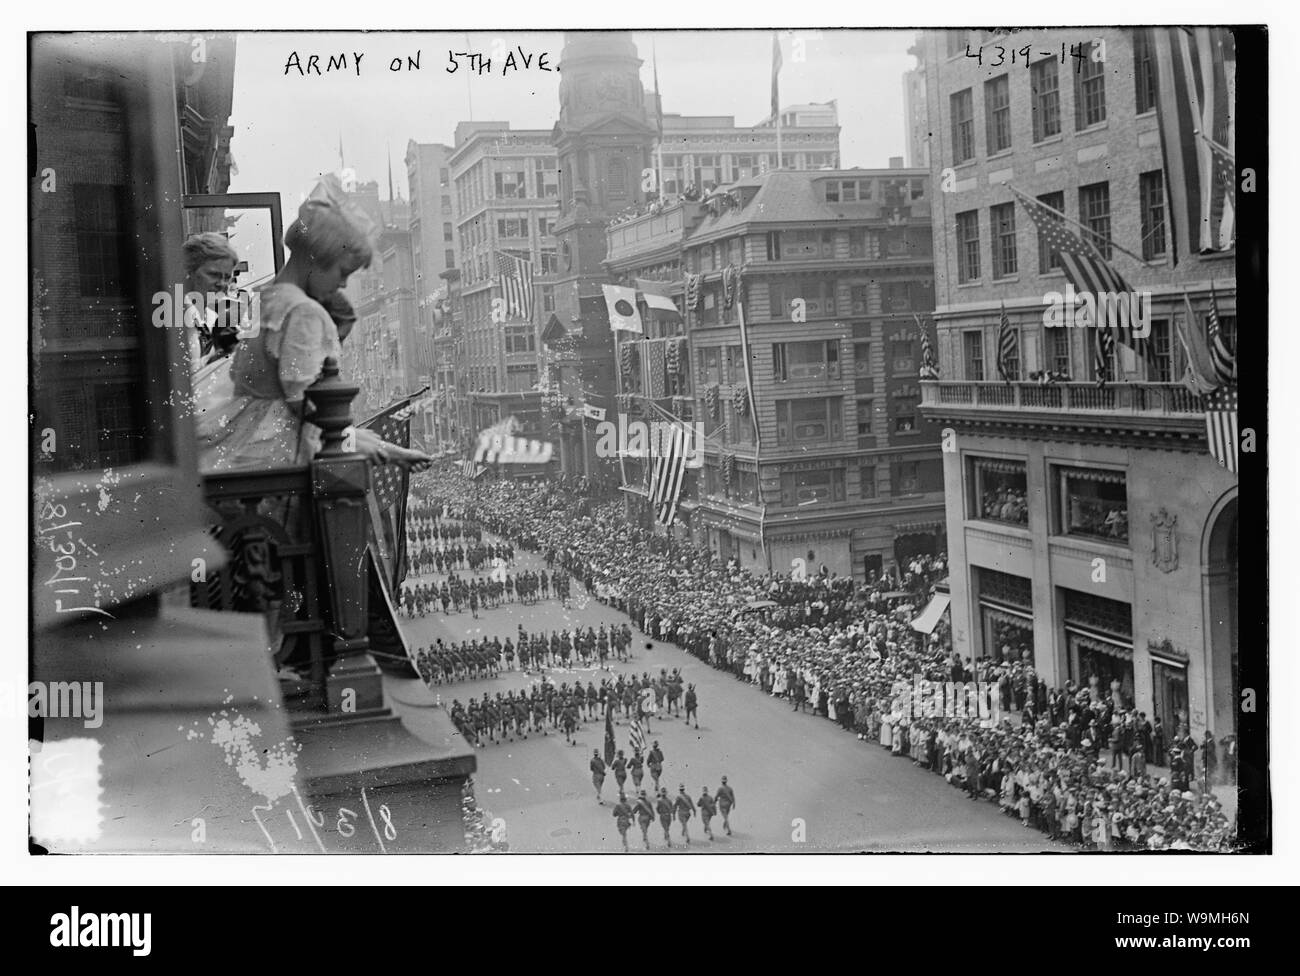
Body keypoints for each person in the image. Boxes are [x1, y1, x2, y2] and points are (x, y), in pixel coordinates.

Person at [196, 177, 429, 477]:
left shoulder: (270, 299)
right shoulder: (303, 312)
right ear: (318, 258)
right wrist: (366, 443)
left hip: (239, 446)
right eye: (342, 272)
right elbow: (307, 408)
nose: (343, 283)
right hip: (273, 457)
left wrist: (377, 445)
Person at [181, 232, 239, 373]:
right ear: (189, 272)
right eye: (214, 275)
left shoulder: (211, 317)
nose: (222, 284)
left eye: (227, 277)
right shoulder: (174, 313)